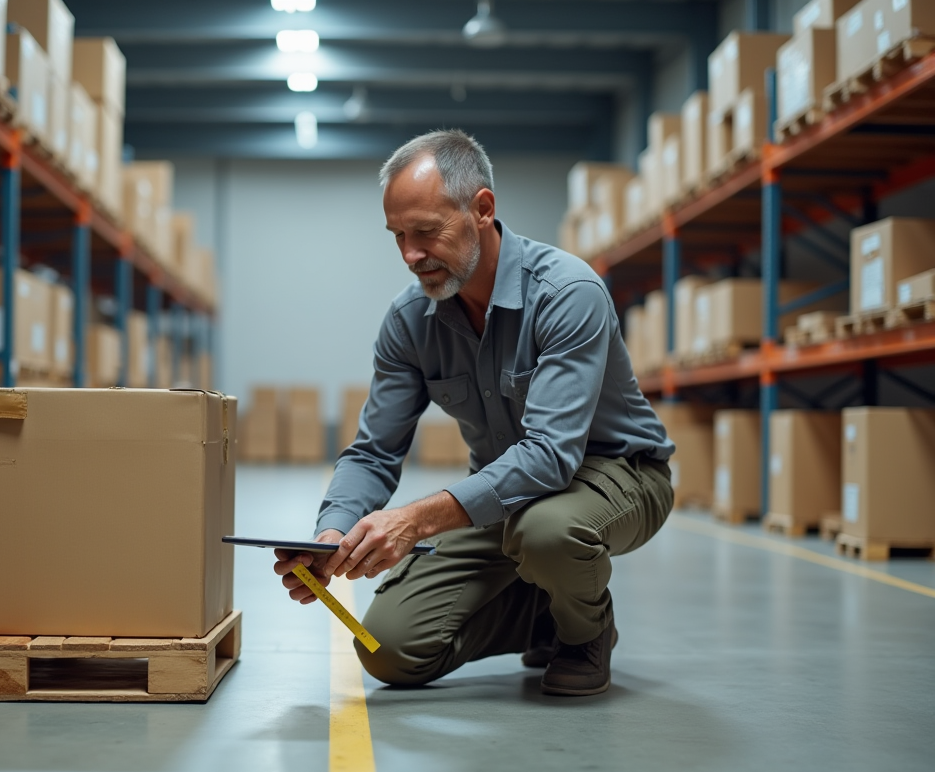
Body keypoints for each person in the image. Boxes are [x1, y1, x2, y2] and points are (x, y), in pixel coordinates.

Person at [273, 129, 675, 696]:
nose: (411, 255)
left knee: (549, 530)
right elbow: (374, 450)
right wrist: (331, 537)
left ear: (481, 209)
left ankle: (586, 635)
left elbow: (550, 458)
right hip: (506, 496)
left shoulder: (566, 292)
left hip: (615, 474)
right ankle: (548, 613)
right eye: (398, 236)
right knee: (388, 650)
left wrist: (413, 521)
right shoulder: (409, 322)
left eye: (426, 233)